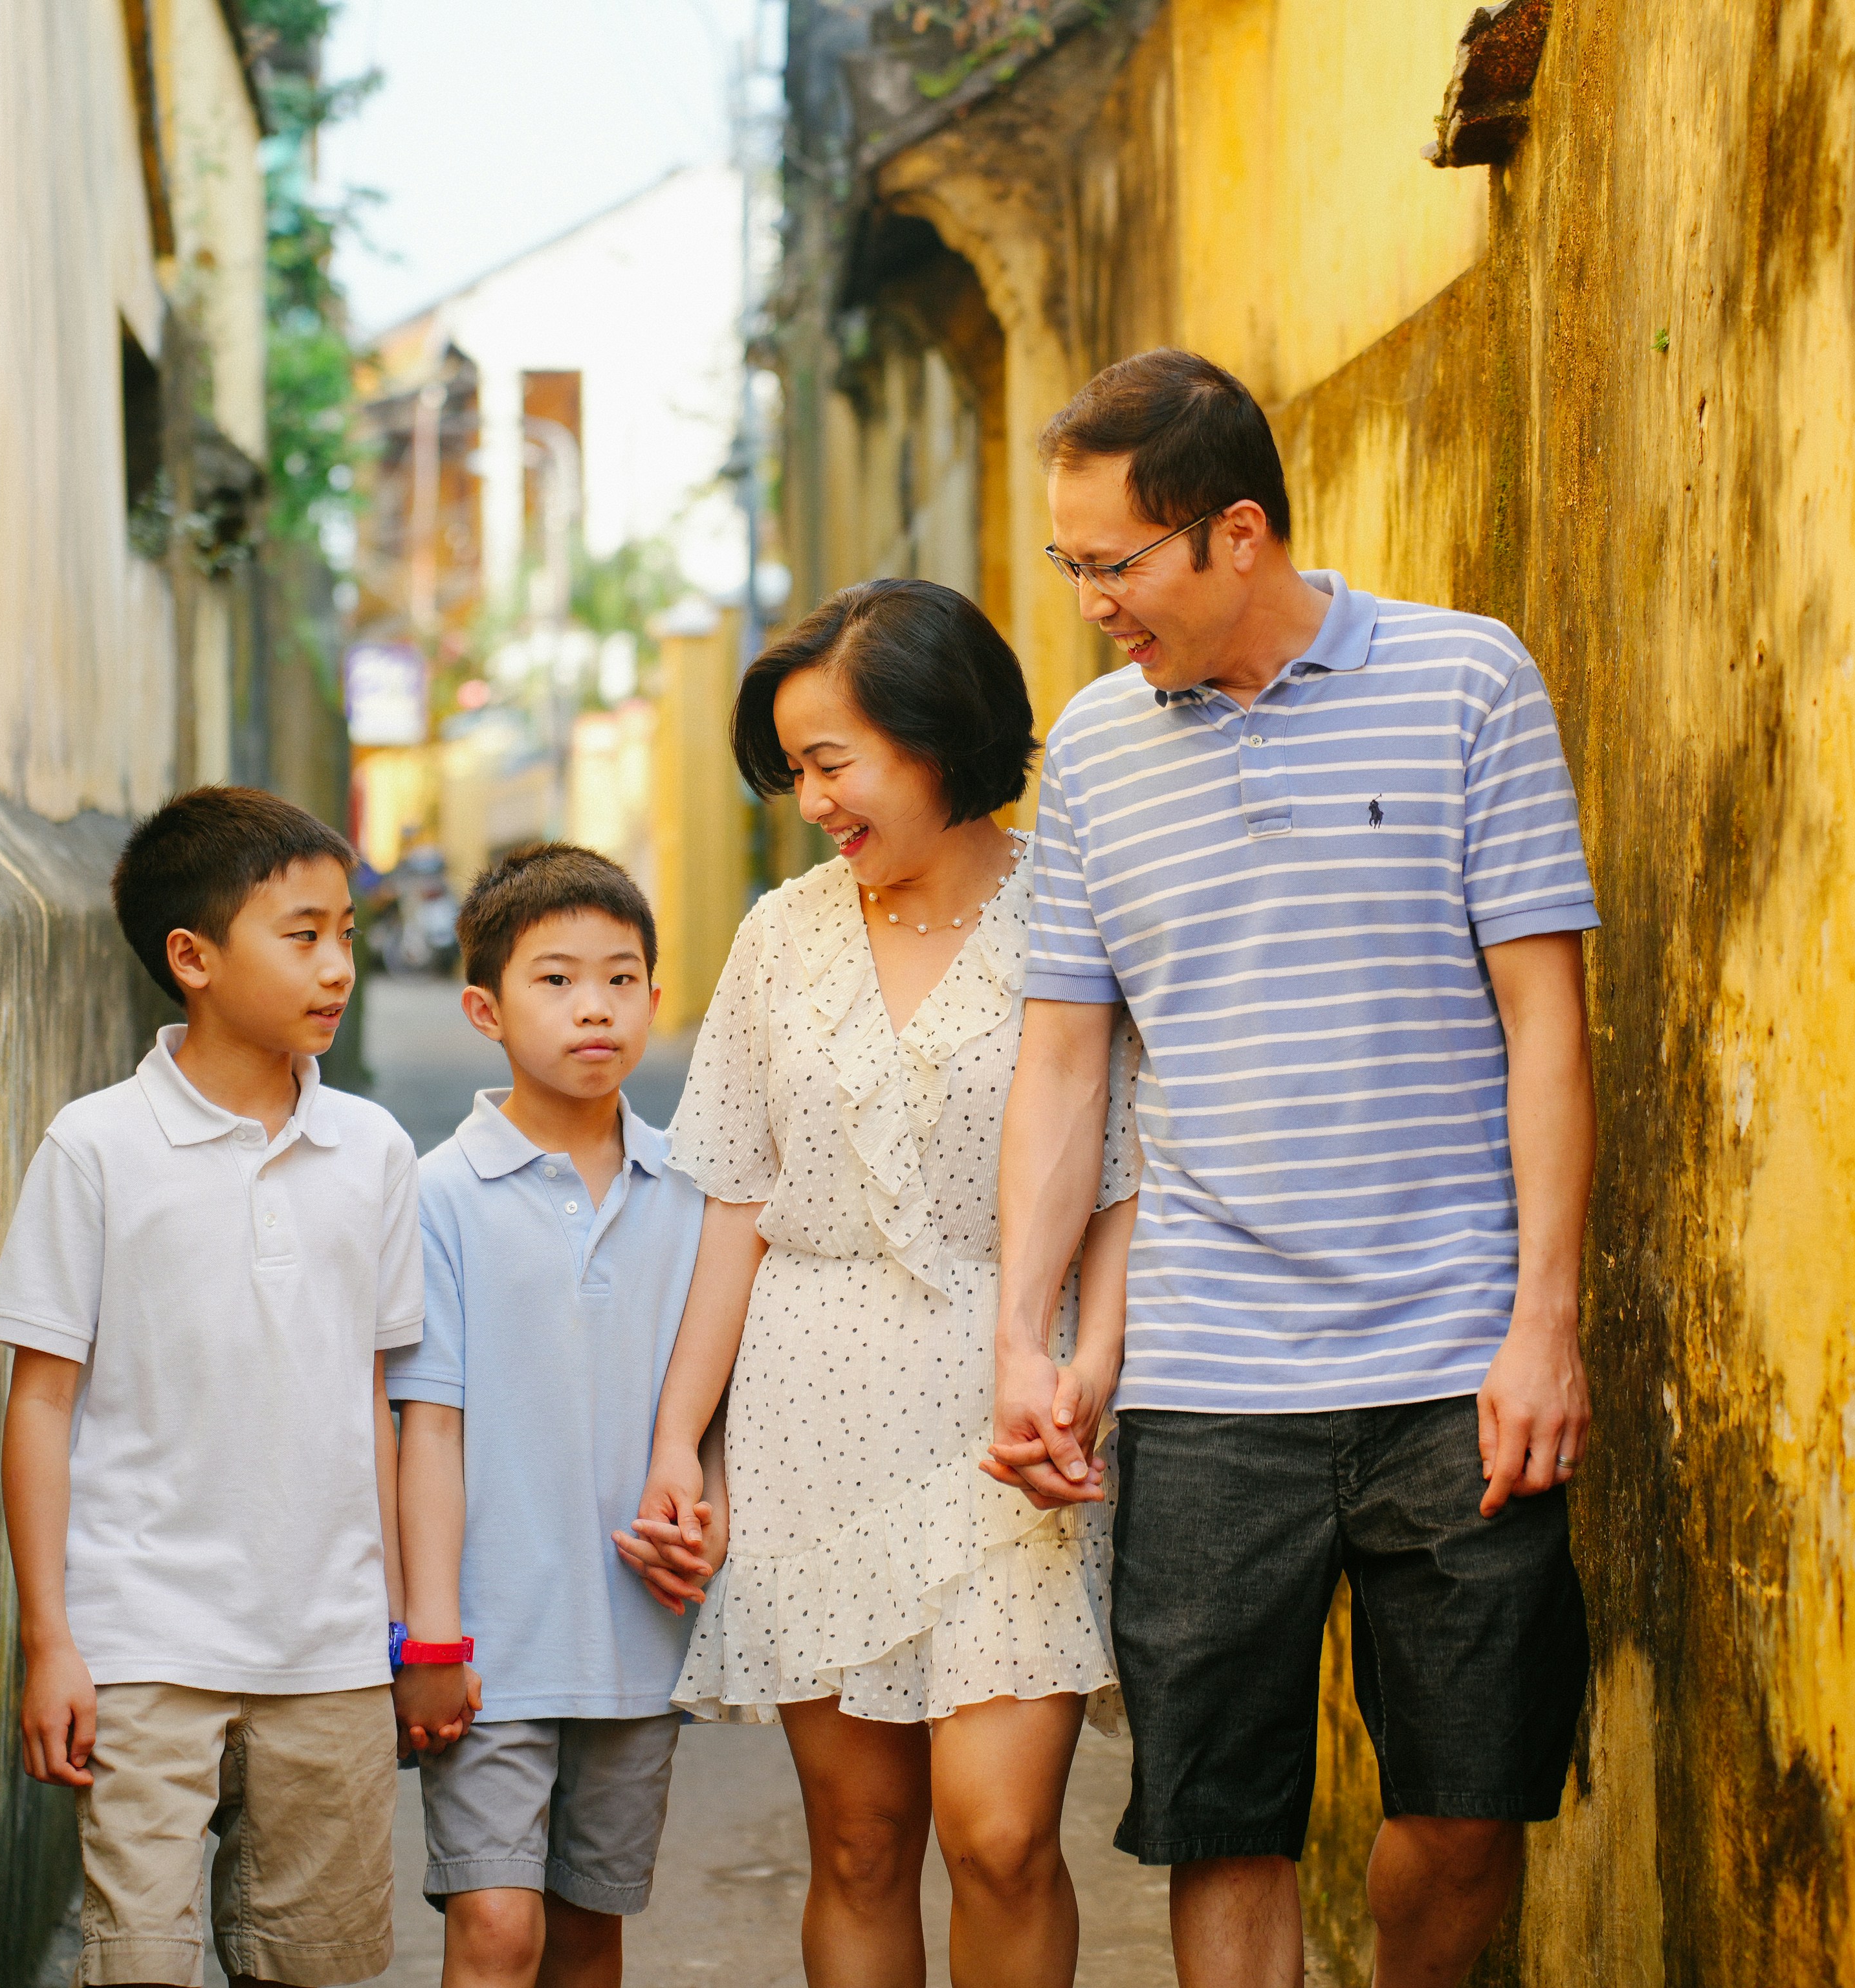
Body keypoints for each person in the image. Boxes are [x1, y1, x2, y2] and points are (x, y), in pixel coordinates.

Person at [992, 349, 1599, 1988]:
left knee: (1471, 1805)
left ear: (1237, 533)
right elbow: (1063, 1065)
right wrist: (1026, 1344)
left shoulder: (1469, 682)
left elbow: (1548, 1018)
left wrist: (1544, 1321)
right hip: (1207, 1370)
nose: (1091, 605)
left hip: (1454, 1355)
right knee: (1225, 1818)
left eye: (1111, 566)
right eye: (1071, 567)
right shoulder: (1096, 754)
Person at [620, 579, 1142, 1988]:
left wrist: (1087, 1376)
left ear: (936, 734)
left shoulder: (1073, 914)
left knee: (1002, 1835)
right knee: (856, 1843)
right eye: (792, 771)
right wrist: (685, 1442)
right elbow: (734, 1206)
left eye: (831, 761)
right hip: (809, 1408)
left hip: (1010, 1411)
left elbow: (1124, 1188)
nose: (812, 802)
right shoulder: (781, 937)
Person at [0, 785, 423, 1988]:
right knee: (139, 1960)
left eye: (347, 932)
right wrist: (50, 1643)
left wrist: (394, 1628)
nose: (338, 966)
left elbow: (378, 1406)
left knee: (318, 1963)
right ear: (192, 957)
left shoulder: (375, 1154)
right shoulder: (95, 1146)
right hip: (144, 1644)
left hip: (329, 1651)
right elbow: (40, 1402)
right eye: (303, 935)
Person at [387, 844, 710, 1988]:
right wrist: (429, 1636)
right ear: (484, 1008)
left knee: (588, 1931)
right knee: (496, 1928)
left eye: (622, 980)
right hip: (491, 1648)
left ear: (658, 1002)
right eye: (557, 980)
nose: (596, 1010)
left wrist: (708, 1518)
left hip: (635, 1641)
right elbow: (427, 1427)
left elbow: (709, 1407)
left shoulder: (694, 1192)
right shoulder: (436, 1196)